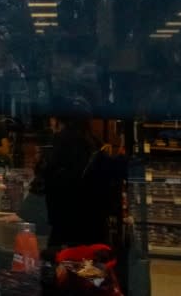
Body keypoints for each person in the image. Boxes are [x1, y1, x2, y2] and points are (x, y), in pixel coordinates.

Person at [44, 96, 122, 247]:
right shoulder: (94, 142)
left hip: (67, 226)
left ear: (59, 120)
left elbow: (46, 181)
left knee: (66, 264)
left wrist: (24, 212)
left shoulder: (61, 142)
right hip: (94, 226)